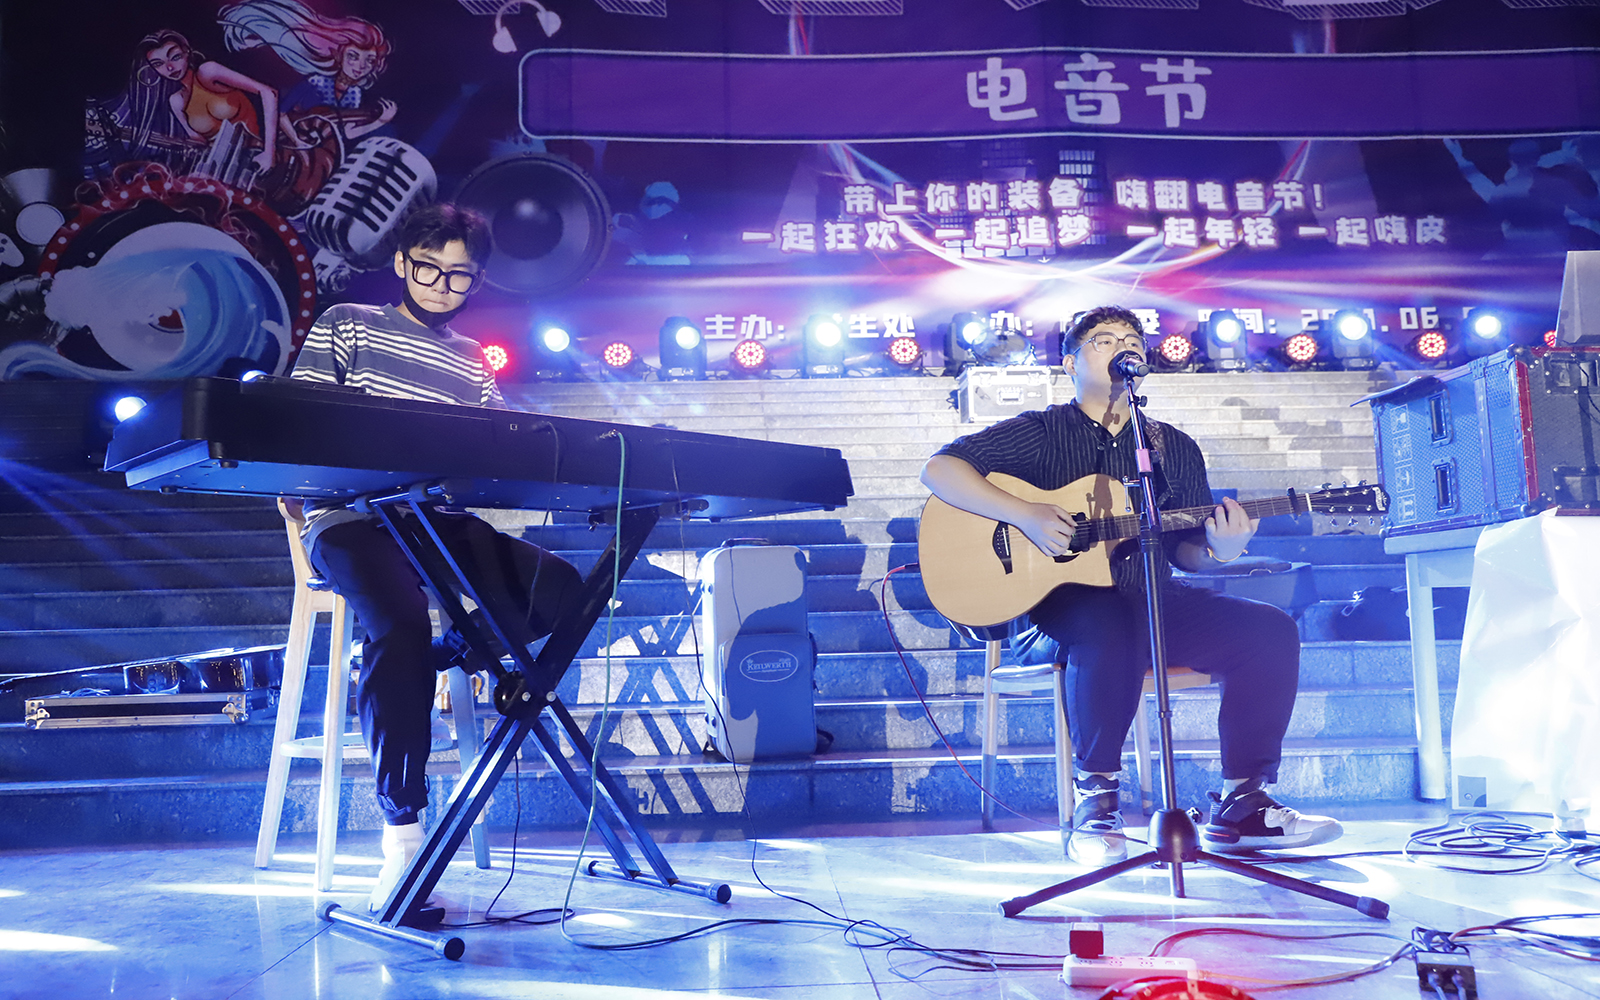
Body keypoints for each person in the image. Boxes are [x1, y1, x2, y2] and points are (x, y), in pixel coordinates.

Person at [919, 306, 1342, 867]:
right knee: (1108, 624)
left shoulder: (1172, 447)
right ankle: (1096, 800)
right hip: (1057, 611)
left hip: (1152, 598)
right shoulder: (1042, 433)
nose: (1122, 345)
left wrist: (1221, 549)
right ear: (1070, 364)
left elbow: (1184, 551)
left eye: (1132, 339)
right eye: (1103, 340)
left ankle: (1243, 803)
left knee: (1269, 630)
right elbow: (939, 469)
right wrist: (1025, 513)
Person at [290, 203, 581, 910]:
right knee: (397, 625)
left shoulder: (472, 359)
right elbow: (295, 425)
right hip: (350, 519)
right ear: (400, 262)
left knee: (564, 587)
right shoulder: (348, 325)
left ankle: (446, 653)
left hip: (436, 521)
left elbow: (496, 448)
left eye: (460, 276)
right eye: (429, 269)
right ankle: (402, 841)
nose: (444, 286)